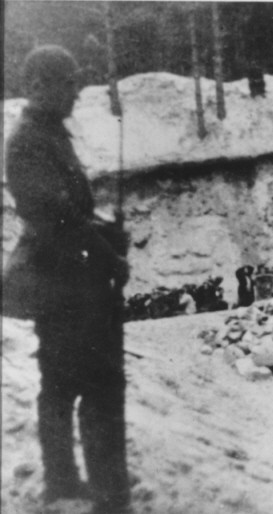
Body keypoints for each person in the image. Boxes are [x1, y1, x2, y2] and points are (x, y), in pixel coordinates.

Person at [4, 45, 131, 513]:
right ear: (39, 86)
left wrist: (103, 231)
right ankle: (107, 496)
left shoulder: (47, 134)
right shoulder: (29, 140)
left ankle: (64, 480)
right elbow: (56, 220)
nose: (76, 90)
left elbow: (71, 214)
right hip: (64, 284)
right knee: (97, 386)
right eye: (67, 82)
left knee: (60, 383)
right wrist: (109, 256)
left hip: (66, 278)